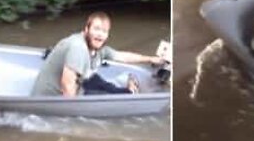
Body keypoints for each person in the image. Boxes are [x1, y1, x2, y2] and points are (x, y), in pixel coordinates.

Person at [31, 11, 164, 97]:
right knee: (103, 95)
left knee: (97, 80)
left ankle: (128, 92)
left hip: (79, 82)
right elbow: (67, 85)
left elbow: (122, 56)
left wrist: (150, 58)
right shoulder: (78, 48)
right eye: (97, 29)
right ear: (86, 29)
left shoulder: (98, 48)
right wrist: (74, 116)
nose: (100, 34)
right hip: (53, 97)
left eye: (104, 31)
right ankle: (128, 93)